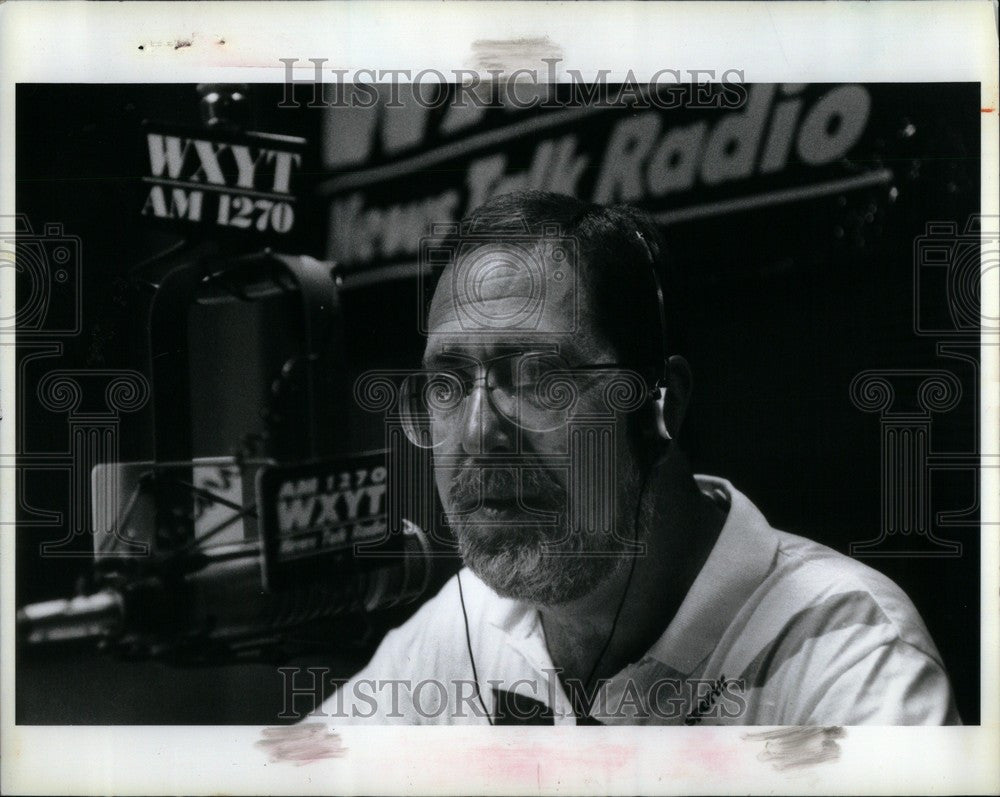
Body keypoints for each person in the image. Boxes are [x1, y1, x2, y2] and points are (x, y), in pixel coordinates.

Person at [315, 190, 960, 725]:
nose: (480, 432)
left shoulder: (846, 658)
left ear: (659, 409)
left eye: (542, 377)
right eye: (448, 383)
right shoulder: (472, 620)